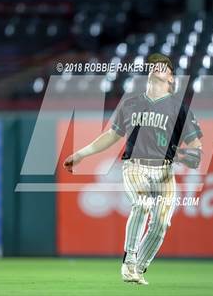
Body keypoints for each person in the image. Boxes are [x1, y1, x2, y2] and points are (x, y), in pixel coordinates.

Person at [63, 53, 203, 285]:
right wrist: (80, 154)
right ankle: (129, 262)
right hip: (134, 166)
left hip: (165, 172)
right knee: (143, 203)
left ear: (171, 80)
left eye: (166, 67)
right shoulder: (130, 104)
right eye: (156, 64)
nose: (159, 67)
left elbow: (196, 150)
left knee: (161, 224)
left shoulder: (180, 109)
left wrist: (185, 156)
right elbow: (110, 136)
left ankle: (139, 267)